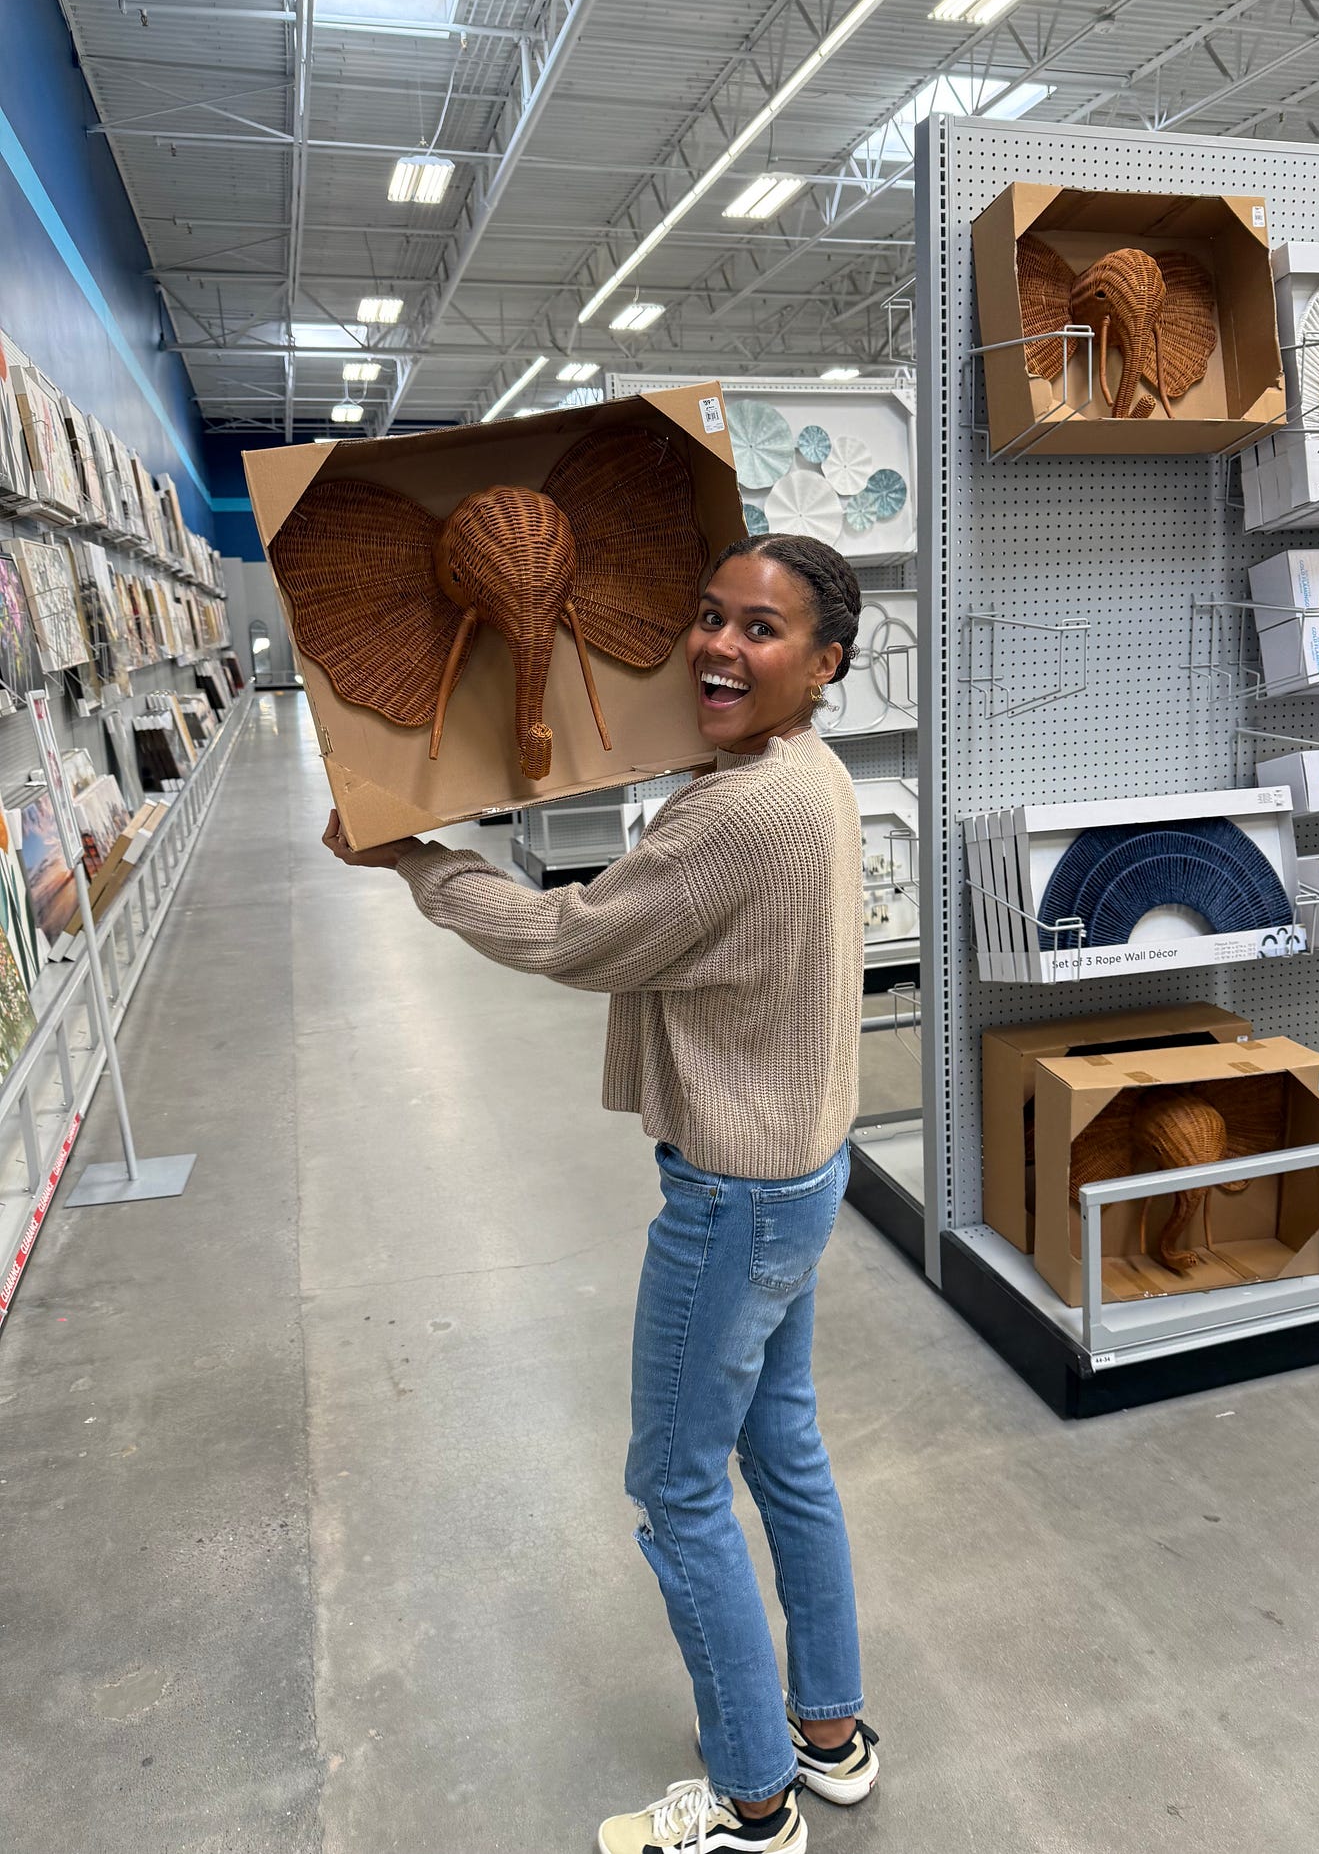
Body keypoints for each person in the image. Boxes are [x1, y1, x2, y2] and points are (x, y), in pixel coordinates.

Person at [323, 531, 878, 1854]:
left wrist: (414, 858)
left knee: (679, 1490)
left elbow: (570, 935)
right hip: (800, 1171)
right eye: (711, 615)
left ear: (825, 662)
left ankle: (753, 1803)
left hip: (734, 1196)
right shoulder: (806, 772)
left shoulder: (742, 811)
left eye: (761, 629)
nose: (718, 646)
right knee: (783, 1450)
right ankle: (827, 1732)